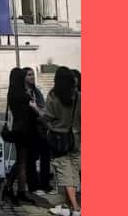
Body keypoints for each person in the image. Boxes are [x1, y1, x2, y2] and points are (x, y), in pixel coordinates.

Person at [45, 67, 81, 216]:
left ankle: (76, 208)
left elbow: (48, 117)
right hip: (76, 139)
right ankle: (66, 207)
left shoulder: (53, 96)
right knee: (73, 172)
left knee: (64, 174)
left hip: (59, 139)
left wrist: (51, 127)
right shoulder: (79, 96)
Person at [2, 67, 39, 205]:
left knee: (22, 161)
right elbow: (32, 111)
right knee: (21, 162)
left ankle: (19, 190)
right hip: (24, 131)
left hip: (21, 131)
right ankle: (10, 187)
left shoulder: (13, 92)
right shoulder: (22, 95)